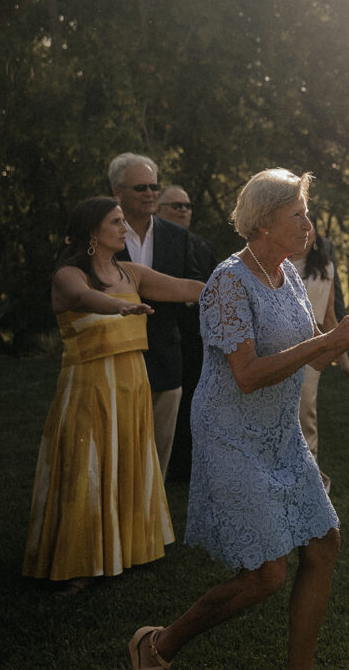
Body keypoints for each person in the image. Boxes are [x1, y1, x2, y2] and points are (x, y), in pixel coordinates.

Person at [128, 169, 349, 670]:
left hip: (281, 436)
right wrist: (326, 339)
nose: (308, 224)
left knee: (325, 544)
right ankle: (156, 646)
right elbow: (248, 375)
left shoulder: (289, 275)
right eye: (297, 214)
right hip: (231, 434)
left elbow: (315, 359)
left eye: (306, 212)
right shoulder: (226, 283)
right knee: (266, 576)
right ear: (262, 221)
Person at [22, 197, 204, 595]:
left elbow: (184, 287)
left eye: (124, 221)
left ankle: (129, 550)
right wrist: (119, 308)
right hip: (89, 386)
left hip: (132, 381)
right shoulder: (69, 274)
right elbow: (85, 299)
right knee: (88, 467)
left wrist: (236, 286)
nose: (125, 229)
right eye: (116, 222)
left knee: (130, 461)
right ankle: (79, 562)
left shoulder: (131, 273)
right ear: (93, 232)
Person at [110, 154, 206, 480]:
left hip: (166, 360)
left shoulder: (177, 237)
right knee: (118, 458)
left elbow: (191, 288)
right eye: (141, 187)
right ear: (117, 191)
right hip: (114, 360)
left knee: (157, 461)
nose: (151, 193)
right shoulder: (98, 233)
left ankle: (151, 527)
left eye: (154, 186)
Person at [156, 184, 220, 481]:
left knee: (194, 399)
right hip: (163, 333)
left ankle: (187, 464)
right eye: (176, 205)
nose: (183, 210)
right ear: (159, 209)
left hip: (196, 337)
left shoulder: (203, 246)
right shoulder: (152, 244)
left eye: (187, 205)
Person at [290, 231, 349, 492]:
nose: (304, 230)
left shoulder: (325, 268)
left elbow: (330, 317)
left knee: (304, 416)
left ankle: (312, 488)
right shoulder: (275, 264)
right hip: (277, 350)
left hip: (313, 351)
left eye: (308, 224)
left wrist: (344, 361)